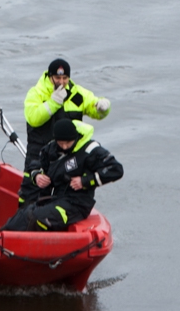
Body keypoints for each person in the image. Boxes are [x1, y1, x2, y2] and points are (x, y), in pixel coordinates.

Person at [3, 116, 123, 231]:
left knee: (36, 217)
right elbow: (36, 163)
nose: (64, 147)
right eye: (61, 143)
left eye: (68, 143)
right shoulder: (51, 148)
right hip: (53, 198)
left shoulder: (90, 150)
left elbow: (116, 169)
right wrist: (37, 175)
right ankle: (0, 235)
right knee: (23, 214)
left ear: (75, 138)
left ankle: (20, 243)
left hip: (76, 204)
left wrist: (85, 181)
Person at [19, 57, 111, 205]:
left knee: (66, 198)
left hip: (68, 157)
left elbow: (93, 107)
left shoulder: (77, 93)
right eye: (57, 78)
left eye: (65, 78)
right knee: (30, 197)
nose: (61, 82)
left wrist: (102, 108)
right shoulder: (37, 93)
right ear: (49, 77)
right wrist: (53, 103)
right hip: (40, 155)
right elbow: (33, 118)